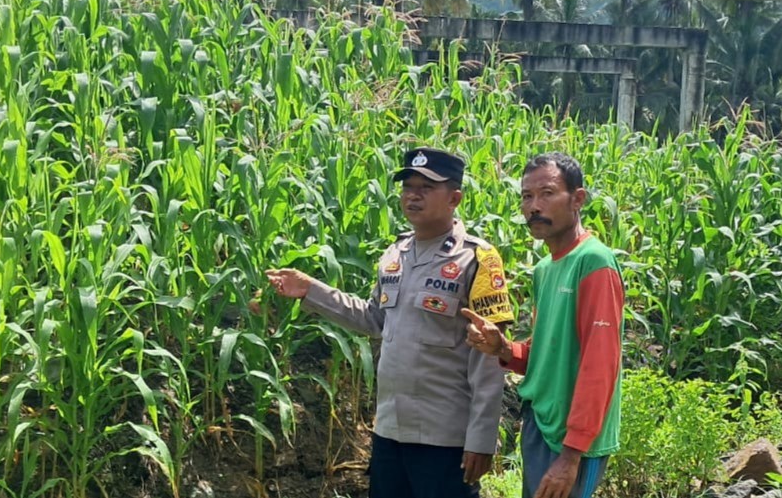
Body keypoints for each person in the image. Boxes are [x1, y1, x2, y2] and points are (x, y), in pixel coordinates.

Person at [264, 147, 515, 498]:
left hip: (444, 438)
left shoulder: (476, 259)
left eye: (426, 187)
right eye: (408, 186)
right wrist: (311, 290)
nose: (413, 195)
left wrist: (482, 440)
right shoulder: (395, 254)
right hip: (390, 432)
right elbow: (374, 319)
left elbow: (490, 357)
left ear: (454, 198)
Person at [462, 152, 624, 498]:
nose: (534, 206)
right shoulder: (544, 269)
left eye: (547, 194)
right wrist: (504, 348)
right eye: (527, 196)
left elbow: (600, 364)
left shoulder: (594, 262)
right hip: (541, 424)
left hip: (572, 441)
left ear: (577, 199)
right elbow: (547, 354)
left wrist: (571, 455)